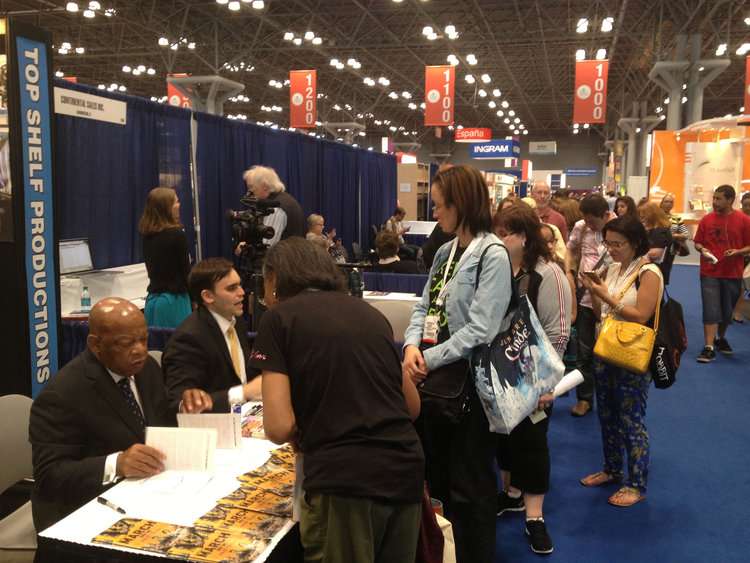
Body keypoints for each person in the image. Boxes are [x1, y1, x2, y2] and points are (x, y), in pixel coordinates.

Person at [251, 237, 424, 562]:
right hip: (405, 472)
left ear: (276, 279)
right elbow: (412, 407)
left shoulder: (278, 319)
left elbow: (278, 426)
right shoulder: (370, 315)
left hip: (343, 483)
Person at [402, 164, 512, 563]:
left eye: (439, 205)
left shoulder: (493, 254)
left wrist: (425, 358)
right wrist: (411, 346)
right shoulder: (447, 252)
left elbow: (480, 330)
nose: (435, 214)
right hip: (435, 386)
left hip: (472, 391)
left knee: (473, 489)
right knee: (441, 484)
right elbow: (424, 305)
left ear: (460, 204)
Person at [29, 298, 211, 531]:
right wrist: (117, 464)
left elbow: (156, 417)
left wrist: (182, 409)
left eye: (144, 339)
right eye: (126, 343)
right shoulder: (62, 395)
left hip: (146, 489)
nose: (140, 350)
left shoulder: (146, 369)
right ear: (96, 344)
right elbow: (50, 475)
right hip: (83, 509)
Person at [492, 205, 571, 555]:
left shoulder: (548, 274)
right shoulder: (496, 270)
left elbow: (559, 333)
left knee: (533, 440)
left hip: (535, 376)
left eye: (504, 233)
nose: (497, 239)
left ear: (523, 237)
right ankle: (511, 494)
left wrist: (544, 384)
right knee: (502, 438)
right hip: (499, 374)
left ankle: (534, 516)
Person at [579, 216, 663, 507]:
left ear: (635, 243)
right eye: (608, 243)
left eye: (618, 244)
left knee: (631, 419)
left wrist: (606, 297)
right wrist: (595, 292)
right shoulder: (614, 268)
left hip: (632, 354)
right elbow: (603, 311)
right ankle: (612, 468)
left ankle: (637, 484)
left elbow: (641, 314)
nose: (611, 249)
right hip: (607, 348)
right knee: (607, 416)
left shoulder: (649, 272)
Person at [162, 258, 262, 412]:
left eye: (239, 285)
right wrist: (243, 393)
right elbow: (181, 405)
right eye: (231, 288)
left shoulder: (235, 319)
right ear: (208, 296)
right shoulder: (188, 339)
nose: (242, 292)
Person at [565, 194, 614, 417]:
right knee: (584, 352)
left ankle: (611, 399)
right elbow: (570, 249)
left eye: (593, 221)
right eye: (586, 220)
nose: (590, 225)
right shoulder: (581, 227)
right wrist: (568, 271)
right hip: (584, 299)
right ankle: (584, 398)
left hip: (612, 301)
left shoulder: (621, 227)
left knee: (611, 353)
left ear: (605, 215)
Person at [693, 185, 750, 362]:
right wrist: (703, 251)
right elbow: (697, 243)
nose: (714, 202)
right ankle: (708, 346)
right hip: (709, 271)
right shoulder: (707, 219)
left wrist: (738, 252)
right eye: (714, 198)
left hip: (733, 272)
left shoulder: (744, 220)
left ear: (730, 200)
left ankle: (720, 338)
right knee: (710, 307)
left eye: (719, 199)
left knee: (727, 310)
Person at [138, 187, 192, 328]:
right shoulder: (177, 234)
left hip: (152, 302)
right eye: (176, 201)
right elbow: (185, 272)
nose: (179, 204)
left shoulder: (146, 234)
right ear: (167, 207)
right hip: (174, 301)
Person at [243, 165, 304, 246]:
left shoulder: (275, 208)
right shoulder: (286, 201)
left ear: (264, 186)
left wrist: (247, 247)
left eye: (250, 187)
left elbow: (267, 246)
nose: (249, 192)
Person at [638, 202, 673, 283]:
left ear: (651, 217)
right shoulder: (656, 230)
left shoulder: (660, 231)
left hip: (656, 271)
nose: (642, 221)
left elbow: (655, 253)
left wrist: (635, 255)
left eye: (644, 217)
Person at [659, 194, 689, 285]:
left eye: (671, 202)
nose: (668, 204)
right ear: (661, 203)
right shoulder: (655, 217)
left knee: (664, 277)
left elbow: (686, 235)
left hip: (669, 252)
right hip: (654, 251)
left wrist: (673, 235)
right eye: (666, 201)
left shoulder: (677, 218)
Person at [732, 193, 750, 322]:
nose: (748, 207)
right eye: (746, 205)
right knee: (739, 288)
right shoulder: (737, 218)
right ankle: (735, 313)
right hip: (738, 256)